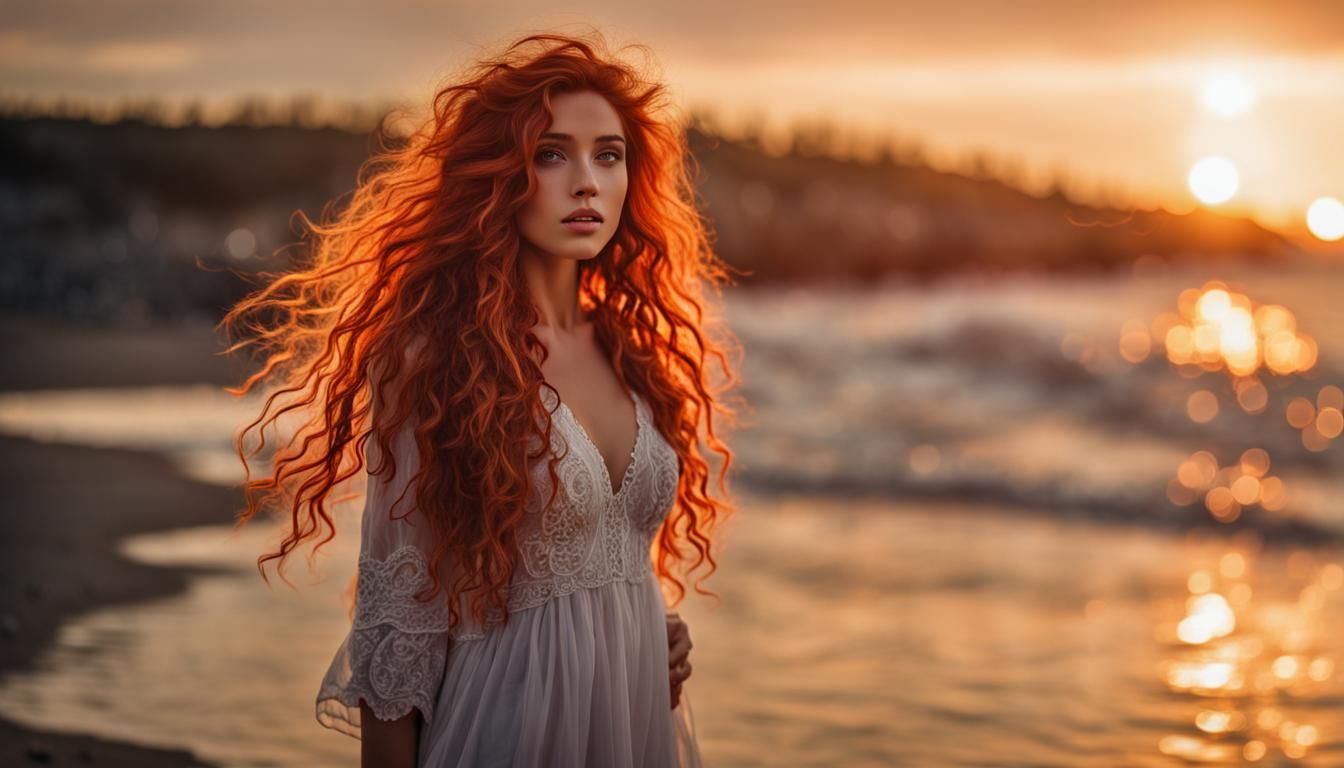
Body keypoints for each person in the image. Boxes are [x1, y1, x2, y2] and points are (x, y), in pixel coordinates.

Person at [222, 29, 742, 767]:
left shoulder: (632, 356)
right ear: (503, 176)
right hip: (506, 729)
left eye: (609, 155)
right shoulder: (434, 362)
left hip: (630, 726)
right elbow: (396, 627)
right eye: (552, 153)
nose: (587, 181)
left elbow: (599, 554)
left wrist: (648, 629)